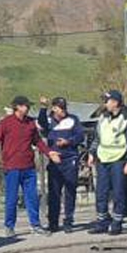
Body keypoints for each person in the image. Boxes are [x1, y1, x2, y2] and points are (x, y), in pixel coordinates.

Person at [0, 95, 44, 237]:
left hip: (29, 167)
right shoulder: (5, 123)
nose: (28, 108)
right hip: (12, 167)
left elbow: (38, 141)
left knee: (32, 197)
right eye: (25, 105)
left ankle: (35, 225)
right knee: (12, 198)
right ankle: (9, 226)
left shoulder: (31, 123)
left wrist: (49, 152)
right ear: (17, 107)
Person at [86, 89, 127, 236]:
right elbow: (97, 138)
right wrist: (91, 153)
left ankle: (117, 222)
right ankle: (102, 221)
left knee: (119, 192)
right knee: (101, 192)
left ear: (115, 102)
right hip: (103, 159)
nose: (104, 103)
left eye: (107, 101)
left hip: (119, 159)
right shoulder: (103, 117)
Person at [40, 97, 83, 233]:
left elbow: (80, 136)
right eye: (60, 108)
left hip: (70, 159)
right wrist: (42, 108)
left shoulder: (73, 119)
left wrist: (68, 141)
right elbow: (41, 124)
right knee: (54, 193)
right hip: (55, 160)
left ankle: (68, 220)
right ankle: (53, 222)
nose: (63, 111)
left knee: (70, 191)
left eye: (64, 108)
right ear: (54, 108)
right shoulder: (48, 120)